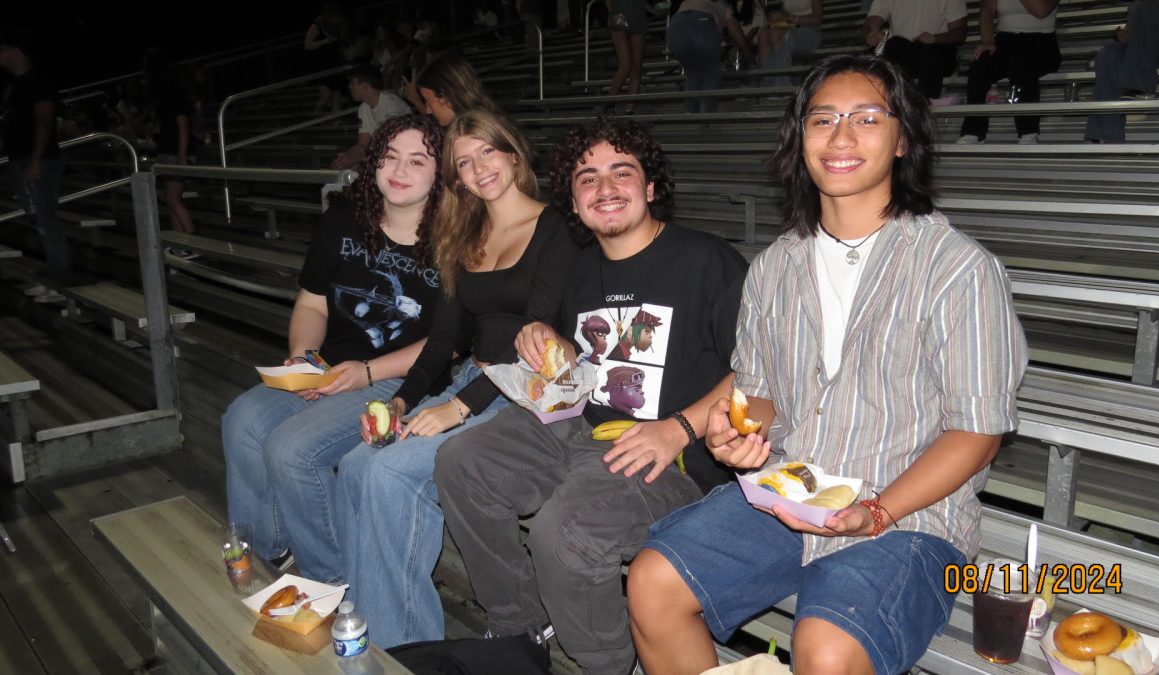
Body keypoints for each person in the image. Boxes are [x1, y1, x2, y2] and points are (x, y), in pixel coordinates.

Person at [626, 54, 1028, 675]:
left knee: (827, 648)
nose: (841, 137)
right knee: (652, 583)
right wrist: (736, 433)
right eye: (822, 120)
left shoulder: (958, 269)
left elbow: (977, 433)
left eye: (867, 118)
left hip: (909, 516)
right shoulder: (775, 267)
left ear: (903, 140)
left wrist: (878, 511)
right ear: (801, 139)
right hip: (791, 493)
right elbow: (758, 395)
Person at [433, 117, 749, 675]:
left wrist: (679, 426)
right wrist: (547, 340)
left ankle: (606, 665)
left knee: (567, 530)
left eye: (621, 172)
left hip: (673, 456)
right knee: (463, 460)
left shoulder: (707, 261)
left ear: (650, 188)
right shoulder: (580, 267)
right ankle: (517, 626)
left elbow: (759, 369)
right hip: (582, 425)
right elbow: (569, 351)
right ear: (573, 200)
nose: (605, 188)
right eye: (587, 177)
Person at [334, 110, 579, 649]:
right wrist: (400, 403)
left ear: (513, 152)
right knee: (357, 465)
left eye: (487, 152)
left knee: (391, 474)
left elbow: (540, 342)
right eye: (464, 162)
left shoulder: (558, 227)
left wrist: (458, 408)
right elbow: (444, 340)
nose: (478, 168)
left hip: (524, 395)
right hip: (472, 382)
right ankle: (369, 610)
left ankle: (402, 648)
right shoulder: (464, 232)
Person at [222, 115, 447, 582]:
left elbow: (449, 338)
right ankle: (270, 552)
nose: (400, 170)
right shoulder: (343, 219)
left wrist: (364, 373)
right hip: (332, 366)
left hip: (407, 379)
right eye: (389, 157)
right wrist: (305, 357)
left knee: (292, 450)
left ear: (440, 172)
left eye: (417, 160)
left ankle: (334, 580)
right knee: (241, 421)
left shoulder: (455, 237)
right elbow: (312, 303)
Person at [0, 30, 70, 304]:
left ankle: (61, 283)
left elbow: (44, 121)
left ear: (15, 51)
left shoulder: (38, 81)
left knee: (46, 221)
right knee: (39, 221)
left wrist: (36, 160)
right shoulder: (14, 86)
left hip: (37, 161)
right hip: (21, 160)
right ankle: (53, 278)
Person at [1084, 0, 1159, 144]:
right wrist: (1126, 36)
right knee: (1110, 52)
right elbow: (1139, 34)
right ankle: (1107, 135)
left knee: (1147, 6)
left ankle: (1139, 90)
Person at [958, 0, 1061, 145]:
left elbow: (1041, 11)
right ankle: (973, 131)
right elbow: (987, 10)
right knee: (980, 64)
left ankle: (1028, 131)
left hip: (1041, 42)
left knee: (1023, 64)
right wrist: (988, 41)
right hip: (1006, 40)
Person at [146, 50, 200, 246]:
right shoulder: (171, 92)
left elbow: (183, 122)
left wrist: (182, 154)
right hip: (171, 149)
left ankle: (191, 240)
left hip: (175, 151)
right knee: (172, 199)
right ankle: (181, 242)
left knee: (172, 198)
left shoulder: (171, 92)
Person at [666, 0, 756, 113]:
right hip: (701, 23)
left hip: (675, 28)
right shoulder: (725, 4)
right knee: (712, 73)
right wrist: (752, 61)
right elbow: (739, 38)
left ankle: (692, 113)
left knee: (693, 74)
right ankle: (706, 115)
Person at [863, 0, 966, 98]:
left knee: (930, 52)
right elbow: (867, 28)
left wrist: (935, 38)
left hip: (939, 53)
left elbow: (960, 32)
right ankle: (894, 101)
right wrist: (872, 34)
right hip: (908, 54)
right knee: (893, 44)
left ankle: (924, 105)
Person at [332, 65, 412, 169]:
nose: (349, 87)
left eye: (353, 83)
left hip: (407, 157)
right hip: (388, 158)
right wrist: (345, 158)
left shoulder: (391, 104)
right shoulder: (364, 108)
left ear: (365, 86)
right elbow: (362, 144)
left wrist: (354, 159)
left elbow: (392, 145)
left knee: (358, 166)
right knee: (347, 169)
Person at [405, 51, 502, 127]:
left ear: (446, 97)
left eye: (427, 100)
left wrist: (416, 101)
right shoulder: (486, 120)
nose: (428, 110)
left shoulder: (472, 137)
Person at [757, 0, 823, 87]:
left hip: (808, 30)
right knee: (763, 34)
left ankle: (781, 85)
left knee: (777, 34)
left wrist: (788, 18)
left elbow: (817, 19)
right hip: (786, 27)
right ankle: (767, 82)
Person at [606, 0, 654, 114]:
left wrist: (653, 10)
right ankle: (608, 104)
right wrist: (612, 13)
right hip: (620, 15)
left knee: (636, 66)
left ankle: (629, 109)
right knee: (626, 65)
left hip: (637, 16)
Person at [306, 3, 349, 113]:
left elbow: (342, 43)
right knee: (326, 96)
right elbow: (307, 44)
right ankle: (314, 119)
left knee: (337, 96)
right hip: (323, 64)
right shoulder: (317, 25)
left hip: (336, 62)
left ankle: (336, 120)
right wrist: (324, 41)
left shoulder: (339, 25)